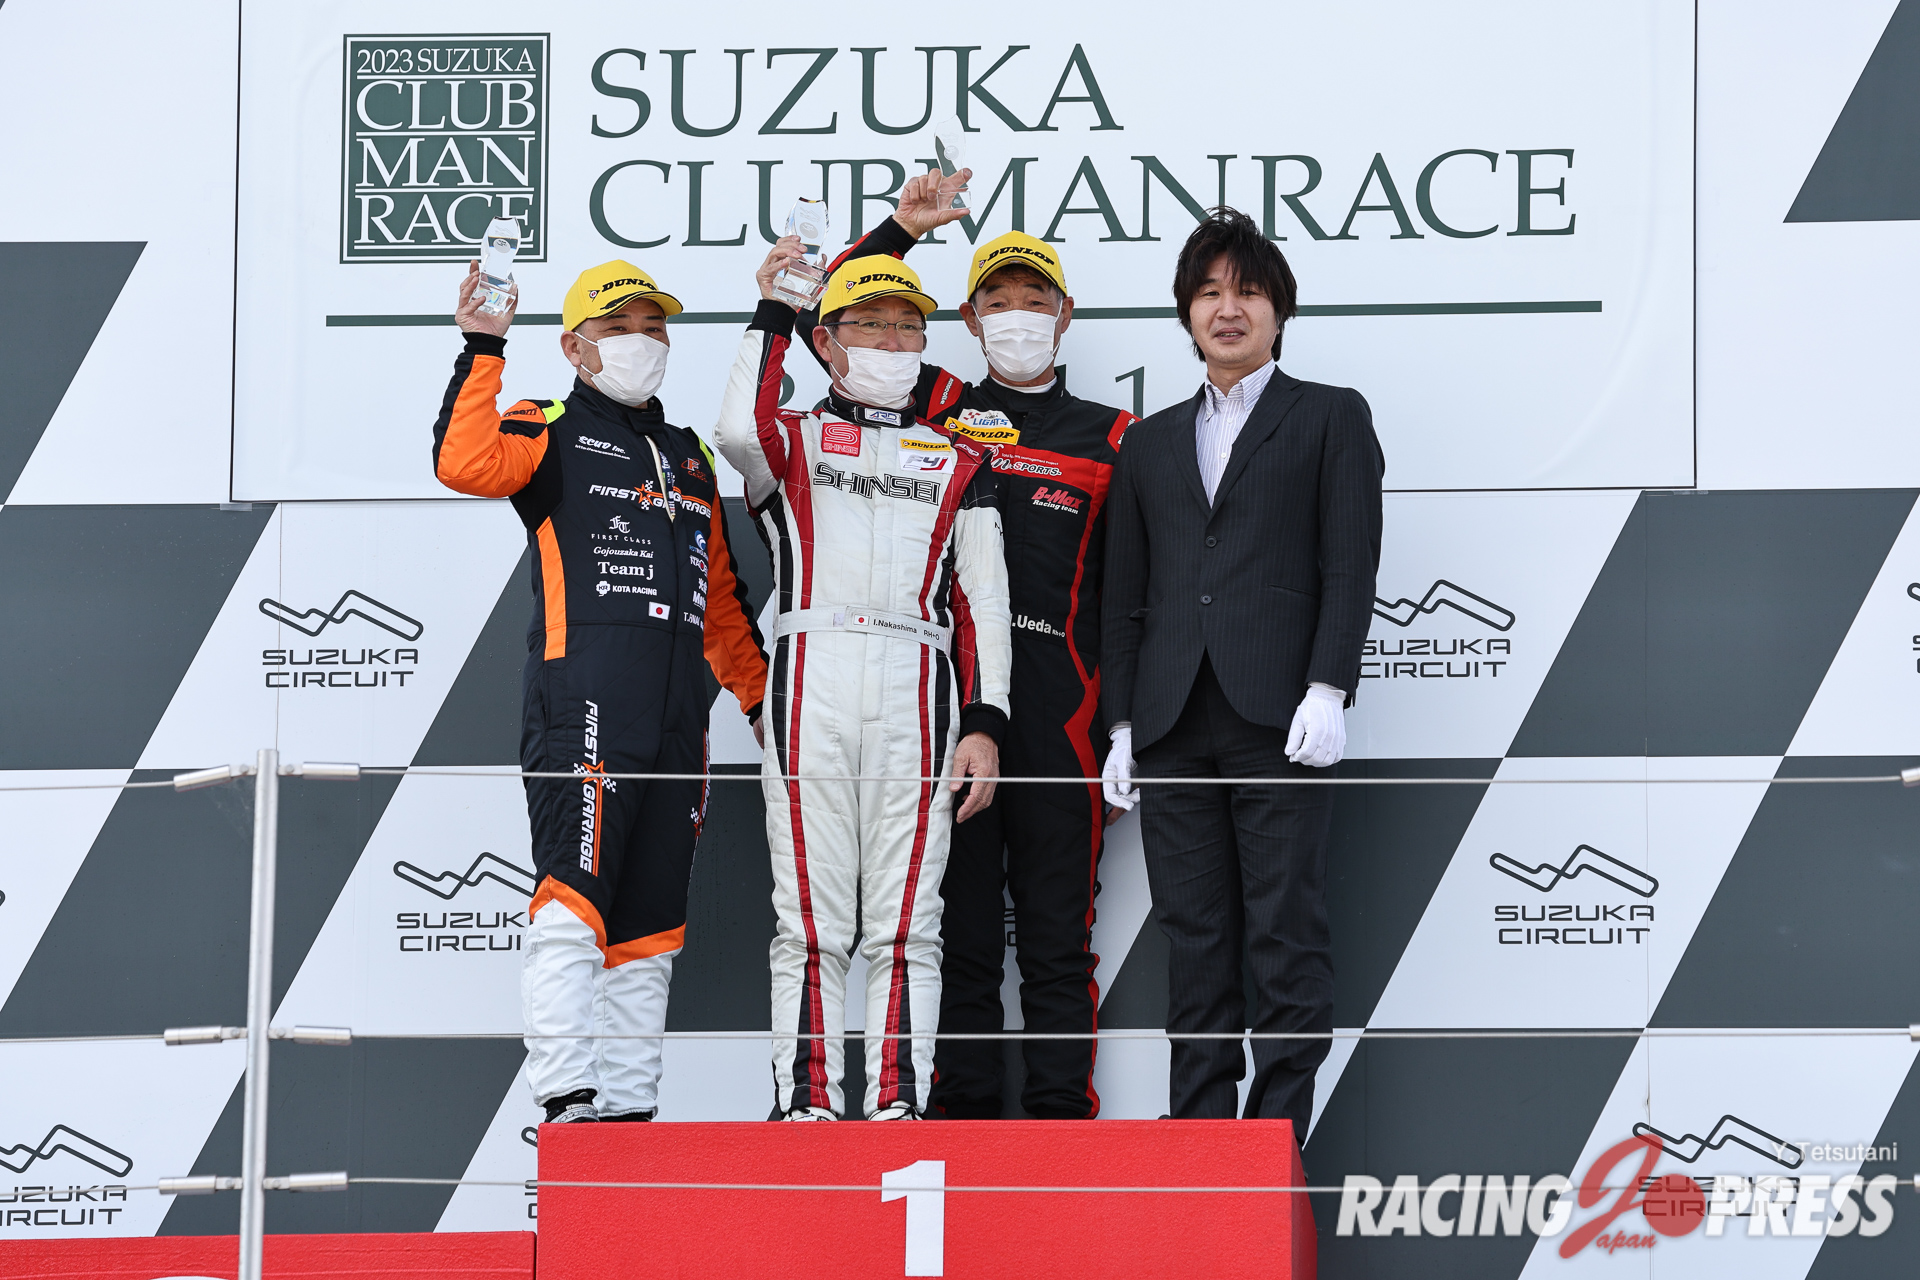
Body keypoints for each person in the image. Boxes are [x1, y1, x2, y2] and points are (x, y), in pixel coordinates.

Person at [796, 173, 1135, 1120]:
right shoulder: (935, 408)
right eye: (998, 299)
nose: (1018, 313)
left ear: (1064, 316)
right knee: (962, 936)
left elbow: (1133, 602)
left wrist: (1126, 729)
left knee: (1060, 940)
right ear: (970, 318)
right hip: (950, 714)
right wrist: (899, 231)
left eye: (1035, 299)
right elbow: (844, 309)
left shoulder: (1117, 436)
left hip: (1063, 719)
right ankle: (963, 1123)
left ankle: (1062, 1125)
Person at [433, 258, 768, 1123]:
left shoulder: (690, 455)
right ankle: (566, 1095)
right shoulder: (545, 427)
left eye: (654, 327)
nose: (641, 341)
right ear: (575, 348)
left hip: (677, 719)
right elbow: (464, 463)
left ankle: (627, 1113)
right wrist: (483, 346)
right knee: (574, 895)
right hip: (583, 697)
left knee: (651, 925)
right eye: (619, 327)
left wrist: (764, 705)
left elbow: (720, 602)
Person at [1100, 207, 1383, 1137]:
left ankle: (1274, 1143)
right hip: (1172, 721)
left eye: (1249, 291)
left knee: (1284, 931)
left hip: (1279, 718)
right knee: (1194, 940)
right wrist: (1122, 725)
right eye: (1211, 292)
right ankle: (1200, 1149)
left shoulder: (1331, 416)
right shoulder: (1147, 443)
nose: (1229, 309)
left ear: (1278, 311)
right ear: (1187, 313)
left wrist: (1328, 687)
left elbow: (1349, 565)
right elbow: (1125, 596)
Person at [715, 240, 1011, 1121]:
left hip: (919, 688)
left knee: (908, 920)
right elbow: (737, 432)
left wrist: (986, 720)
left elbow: (984, 604)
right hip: (811, 678)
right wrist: (774, 310)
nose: (890, 339)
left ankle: (897, 1105)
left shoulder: (960, 459)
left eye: (906, 325)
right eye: (868, 324)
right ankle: (805, 1105)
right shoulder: (794, 441)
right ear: (828, 341)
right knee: (808, 918)